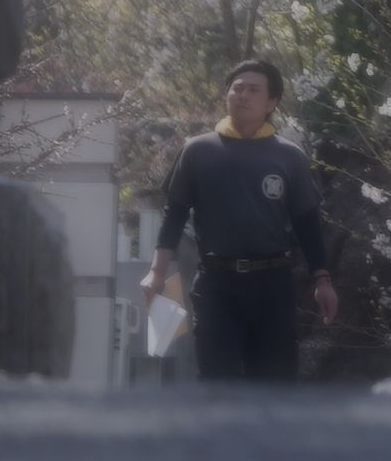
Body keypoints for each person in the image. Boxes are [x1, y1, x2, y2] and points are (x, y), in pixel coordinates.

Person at [140, 59, 340, 383]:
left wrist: (323, 280)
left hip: (273, 284)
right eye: (237, 88)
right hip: (217, 284)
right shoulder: (197, 150)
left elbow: (307, 222)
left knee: (274, 385)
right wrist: (156, 272)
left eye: (253, 90)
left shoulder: (289, 156)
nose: (243, 95)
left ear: (271, 102)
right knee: (218, 385)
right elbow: (174, 214)